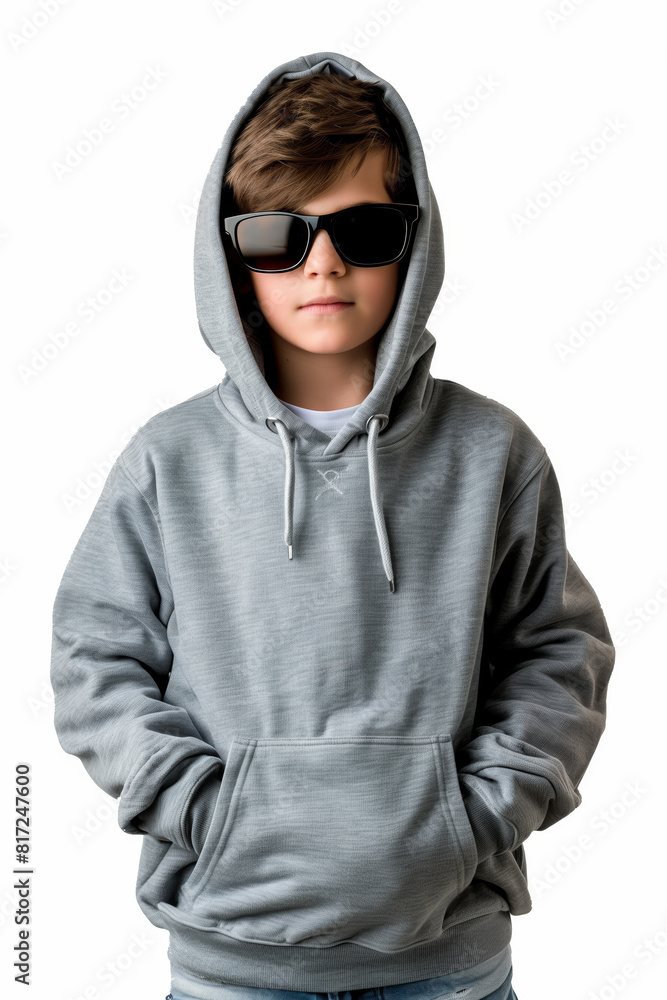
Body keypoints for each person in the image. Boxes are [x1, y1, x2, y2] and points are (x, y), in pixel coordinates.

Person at [49, 51, 615, 1000]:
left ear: (413, 241)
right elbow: (92, 661)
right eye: (281, 234)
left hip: (445, 964)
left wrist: (472, 818)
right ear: (233, 254)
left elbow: (558, 654)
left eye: (362, 229)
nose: (323, 262)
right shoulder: (168, 459)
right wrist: (203, 808)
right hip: (233, 960)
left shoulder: (492, 452)